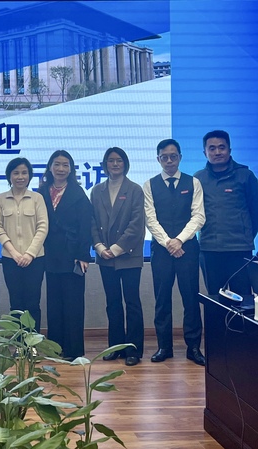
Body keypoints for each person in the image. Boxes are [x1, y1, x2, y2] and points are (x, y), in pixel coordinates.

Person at [144, 139, 206, 366]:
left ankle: (193, 348)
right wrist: (168, 242)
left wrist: (179, 240)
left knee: (191, 298)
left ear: (180, 157)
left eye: (173, 156)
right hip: (161, 250)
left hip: (187, 249)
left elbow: (198, 216)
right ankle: (164, 347)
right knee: (162, 299)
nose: (169, 161)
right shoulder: (149, 185)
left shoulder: (194, 182)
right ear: (158, 159)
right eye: (164, 157)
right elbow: (150, 219)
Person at [90, 147, 145, 366]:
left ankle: (133, 350)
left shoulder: (135, 189)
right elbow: (92, 222)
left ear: (125, 164)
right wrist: (99, 246)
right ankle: (115, 347)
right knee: (112, 303)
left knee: (132, 303)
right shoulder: (96, 191)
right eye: (111, 160)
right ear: (105, 164)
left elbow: (137, 224)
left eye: (119, 160)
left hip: (128, 255)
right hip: (105, 256)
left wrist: (116, 248)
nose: (115, 164)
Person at [38, 150, 92, 359]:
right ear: (50, 167)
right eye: (57, 164)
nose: (61, 169)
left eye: (65, 165)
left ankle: (74, 349)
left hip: (73, 256)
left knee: (73, 304)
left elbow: (85, 225)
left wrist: (83, 255)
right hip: (49, 254)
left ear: (71, 169)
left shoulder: (78, 193)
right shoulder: (42, 191)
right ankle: (55, 348)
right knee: (54, 303)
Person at [194, 130, 258, 298]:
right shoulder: (198, 179)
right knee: (215, 299)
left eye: (221, 147)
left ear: (229, 150)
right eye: (212, 148)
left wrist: (246, 236)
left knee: (242, 300)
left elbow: (255, 211)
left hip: (239, 249)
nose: (217, 152)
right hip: (209, 249)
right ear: (205, 152)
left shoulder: (245, 175)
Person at [0, 157, 48, 333]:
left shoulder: (37, 198)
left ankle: (32, 343)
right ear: (9, 175)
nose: (20, 176)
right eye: (16, 173)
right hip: (10, 259)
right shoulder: (0, 199)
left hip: (35, 259)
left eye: (24, 173)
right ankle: (18, 343)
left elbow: (43, 227)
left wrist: (30, 254)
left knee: (33, 303)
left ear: (29, 176)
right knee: (16, 303)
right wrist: (15, 253)